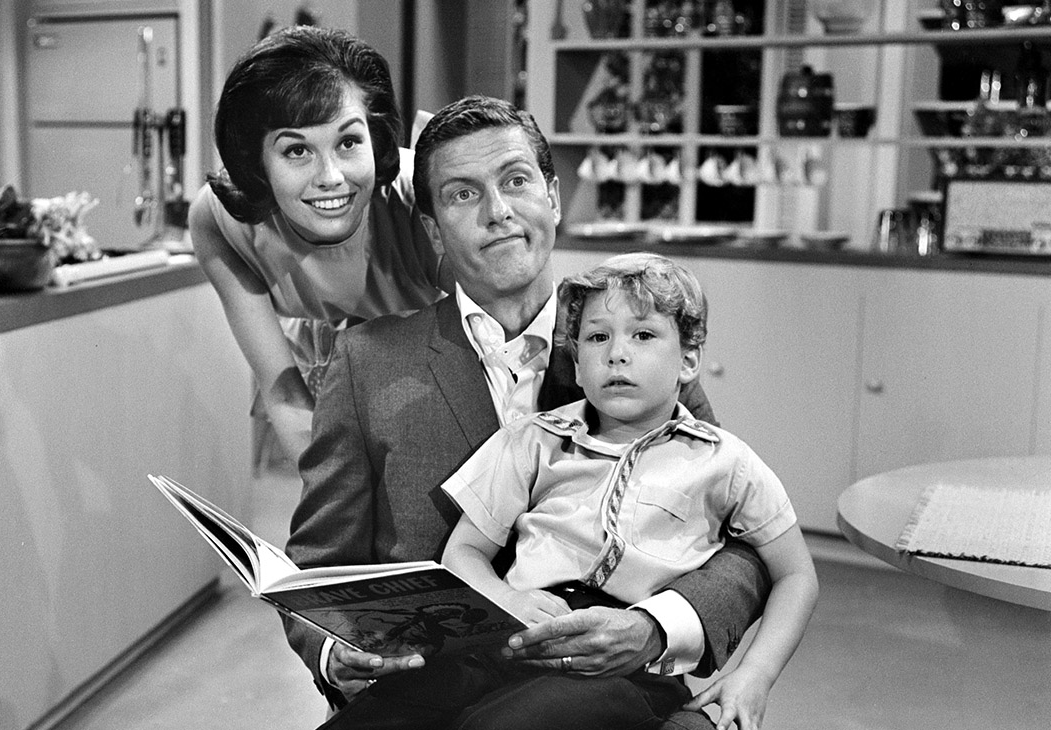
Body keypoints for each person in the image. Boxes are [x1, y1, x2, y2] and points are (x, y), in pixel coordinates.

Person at [285, 95, 770, 730]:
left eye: (515, 181)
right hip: (426, 684)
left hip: (600, 683)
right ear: (433, 231)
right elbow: (322, 565)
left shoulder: (638, 351)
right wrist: (335, 650)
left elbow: (744, 542)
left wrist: (653, 628)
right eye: (463, 194)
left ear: (553, 198)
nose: (498, 212)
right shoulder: (366, 361)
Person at [322, 253, 819, 730]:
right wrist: (503, 598)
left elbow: (796, 575)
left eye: (643, 335)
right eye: (598, 337)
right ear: (578, 366)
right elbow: (464, 550)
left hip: (624, 670)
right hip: (512, 635)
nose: (617, 353)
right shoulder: (533, 441)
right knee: (385, 710)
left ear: (688, 361)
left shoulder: (726, 461)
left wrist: (755, 675)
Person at [189, 26, 446, 464]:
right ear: (256, 163)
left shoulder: (424, 203)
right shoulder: (221, 223)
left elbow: (497, 362)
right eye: (296, 151)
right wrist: (332, 495)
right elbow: (284, 393)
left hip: (438, 389)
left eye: (348, 142)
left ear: (375, 137)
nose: (330, 177)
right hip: (318, 391)